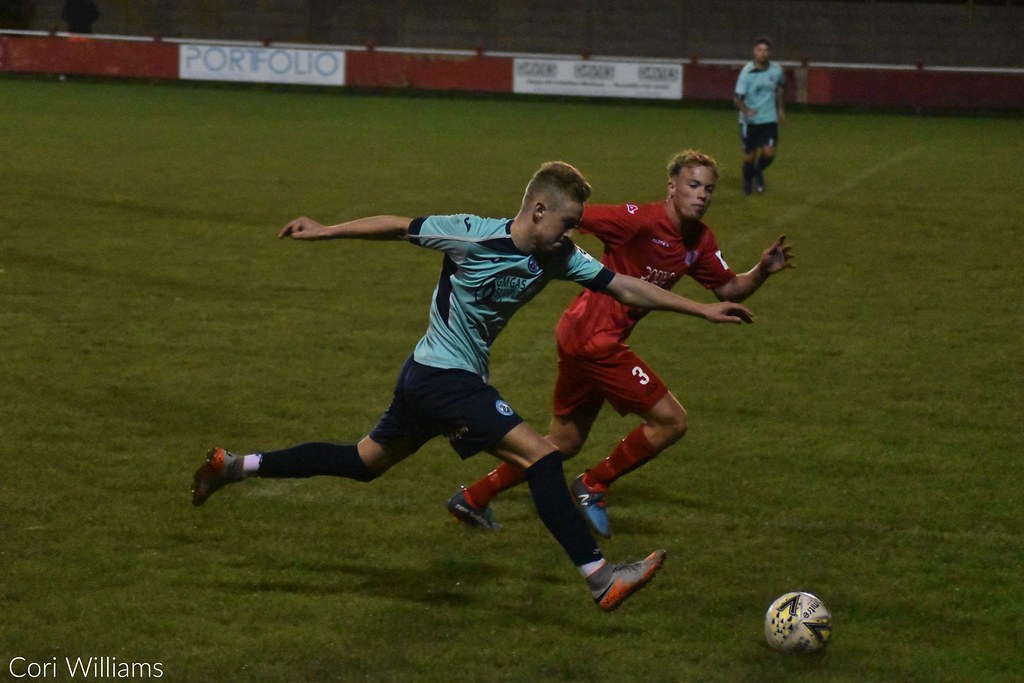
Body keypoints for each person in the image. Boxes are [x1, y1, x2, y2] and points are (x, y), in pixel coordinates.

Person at [191, 161, 755, 611]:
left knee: (362, 462)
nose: (571, 231)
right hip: (444, 379)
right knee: (542, 458)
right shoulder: (469, 235)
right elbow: (398, 226)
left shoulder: (557, 256)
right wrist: (327, 231)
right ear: (538, 210)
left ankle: (234, 465)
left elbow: (627, 287)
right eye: (565, 221)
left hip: (423, 378)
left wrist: (703, 310)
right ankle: (601, 578)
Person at [446, 151, 793, 539]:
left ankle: (474, 497)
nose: (702, 195)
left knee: (565, 441)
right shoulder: (638, 221)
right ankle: (593, 486)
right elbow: (573, 216)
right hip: (596, 341)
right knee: (671, 421)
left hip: (580, 335)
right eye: (693, 185)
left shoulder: (698, 240)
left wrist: (762, 269)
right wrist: (529, 245)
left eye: (708, 189)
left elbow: (729, 289)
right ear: (672, 186)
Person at [733, 38, 787, 195]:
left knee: (769, 153)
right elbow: (737, 98)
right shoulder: (747, 72)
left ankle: (757, 172)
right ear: (754, 52)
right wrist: (746, 110)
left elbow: (781, 87)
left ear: (770, 53)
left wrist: (781, 108)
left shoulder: (777, 70)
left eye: (765, 50)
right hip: (749, 121)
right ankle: (748, 181)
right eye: (759, 50)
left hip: (768, 118)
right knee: (749, 156)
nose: (762, 53)